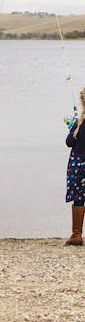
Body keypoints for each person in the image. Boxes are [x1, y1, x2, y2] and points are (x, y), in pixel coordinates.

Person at [65, 88, 85, 246]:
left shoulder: (79, 122)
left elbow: (69, 143)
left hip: (78, 165)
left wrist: (72, 127)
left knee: (79, 198)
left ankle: (77, 234)